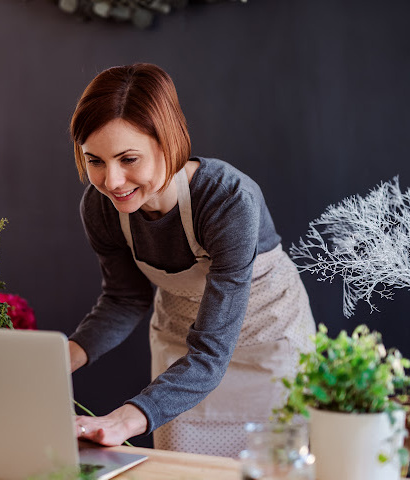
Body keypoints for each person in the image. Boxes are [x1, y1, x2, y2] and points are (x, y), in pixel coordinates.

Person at [67, 63, 316, 458]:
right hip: (181, 350)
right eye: (94, 160)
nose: (111, 181)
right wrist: (54, 362)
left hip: (267, 340)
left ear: (168, 143)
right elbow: (123, 299)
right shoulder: (100, 209)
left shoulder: (227, 200)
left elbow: (211, 353)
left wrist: (123, 420)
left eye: (128, 159)